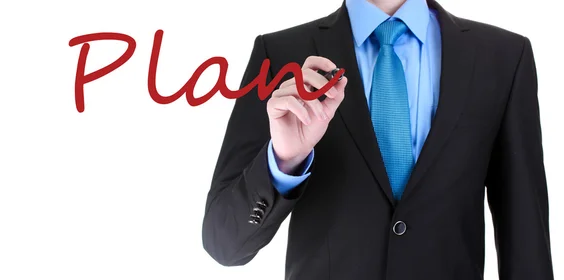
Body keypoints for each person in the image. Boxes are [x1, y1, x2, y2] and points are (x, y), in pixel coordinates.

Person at [201, 0, 554, 279]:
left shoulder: (504, 58)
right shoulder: (279, 55)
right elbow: (223, 243)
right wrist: (283, 160)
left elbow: (527, 248)